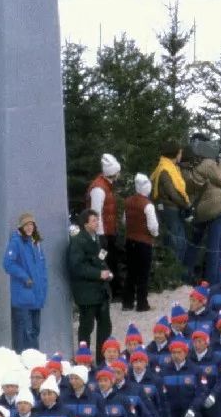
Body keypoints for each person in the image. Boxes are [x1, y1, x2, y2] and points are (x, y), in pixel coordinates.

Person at [68, 208, 114, 359]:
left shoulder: (97, 239)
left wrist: (107, 272)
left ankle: (102, 359)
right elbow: (77, 266)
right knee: (86, 327)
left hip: (101, 291)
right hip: (86, 293)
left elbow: (101, 259)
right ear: (85, 224)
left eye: (97, 220)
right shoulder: (78, 241)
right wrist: (98, 274)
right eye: (94, 220)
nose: (97, 223)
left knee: (105, 326)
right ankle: (84, 359)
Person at [3, 212, 49, 352]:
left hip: (37, 295)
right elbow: (8, 264)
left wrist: (44, 285)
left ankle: (34, 363)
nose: (29, 227)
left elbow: (42, 268)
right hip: (23, 296)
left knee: (35, 330)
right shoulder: (16, 242)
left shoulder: (36, 243)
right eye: (26, 225)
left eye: (32, 224)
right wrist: (24, 277)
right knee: (25, 332)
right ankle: (23, 363)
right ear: (21, 227)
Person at [184, 153, 221, 286]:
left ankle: (186, 276)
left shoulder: (189, 166)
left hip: (200, 209)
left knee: (194, 245)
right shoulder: (208, 163)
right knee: (213, 247)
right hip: (215, 208)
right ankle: (211, 282)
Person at [86, 153, 124, 302]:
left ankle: (115, 292)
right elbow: (96, 214)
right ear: (113, 173)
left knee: (112, 261)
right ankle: (108, 293)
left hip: (109, 232)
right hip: (102, 234)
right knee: (105, 262)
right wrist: (100, 236)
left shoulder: (106, 186)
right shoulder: (99, 189)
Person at [123, 174, 159, 314]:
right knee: (143, 273)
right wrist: (155, 235)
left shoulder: (128, 201)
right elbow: (153, 226)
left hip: (130, 240)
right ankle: (142, 303)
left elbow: (124, 221)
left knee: (131, 272)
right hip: (143, 242)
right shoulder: (147, 205)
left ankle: (127, 302)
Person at [150, 143, 190, 262]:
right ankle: (173, 275)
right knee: (176, 243)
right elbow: (172, 193)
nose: (181, 155)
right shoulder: (165, 169)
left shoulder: (170, 167)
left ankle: (173, 275)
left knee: (176, 242)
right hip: (170, 209)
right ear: (175, 154)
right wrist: (186, 205)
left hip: (172, 208)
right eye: (180, 152)